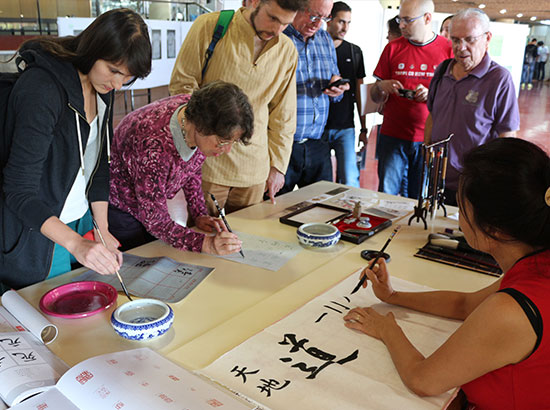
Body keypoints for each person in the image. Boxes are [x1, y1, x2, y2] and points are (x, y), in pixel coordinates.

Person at [344, 137, 550, 409]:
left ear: (495, 229)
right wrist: (393, 296)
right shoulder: (537, 264)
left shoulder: (512, 309)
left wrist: (387, 328)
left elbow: (424, 380)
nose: (457, 215)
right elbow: (465, 304)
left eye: (461, 207)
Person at [0, 8, 151, 291]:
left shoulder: (102, 86)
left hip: (80, 222)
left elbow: (98, 167)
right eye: (114, 71)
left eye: (127, 77)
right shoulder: (42, 88)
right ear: (94, 49)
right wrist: (75, 243)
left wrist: (102, 230)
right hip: (42, 232)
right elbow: (18, 191)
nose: (117, 84)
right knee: (50, 318)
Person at [169, 0, 307, 215]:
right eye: (272, 18)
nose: (276, 29)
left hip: (255, 168)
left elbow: (284, 115)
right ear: (253, 2)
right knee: (204, 236)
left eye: (285, 24)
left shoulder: (287, 50)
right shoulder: (210, 26)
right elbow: (182, 87)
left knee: (247, 239)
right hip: (208, 165)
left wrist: (278, 167)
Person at [109, 81, 253, 255]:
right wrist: (204, 244)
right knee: (140, 259)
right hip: (123, 206)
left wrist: (199, 214)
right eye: (223, 142)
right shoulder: (153, 145)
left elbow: (191, 168)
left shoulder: (196, 114)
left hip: (151, 201)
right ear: (201, 126)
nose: (227, 150)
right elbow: (155, 221)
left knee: (161, 252)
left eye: (233, 142)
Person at [425, 8, 519, 206]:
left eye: (470, 40)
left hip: (475, 184)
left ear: (487, 38)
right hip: (438, 181)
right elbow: (433, 116)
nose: (461, 47)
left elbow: (507, 136)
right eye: (456, 40)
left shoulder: (499, 79)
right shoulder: (443, 71)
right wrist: (428, 158)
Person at [370, 0, 452, 199]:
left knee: (420, 198)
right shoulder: (392, 48)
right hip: (392, 135)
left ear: (427, 18)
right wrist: (382, 86)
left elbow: (454, 99)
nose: (401, 25)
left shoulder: (448, 50)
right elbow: (374, 95)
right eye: (400, 19)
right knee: (386, 195)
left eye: (407, 20)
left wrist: (432, 95)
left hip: (429, 138)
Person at [279, 0, 349, 195]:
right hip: (283, 145)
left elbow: (333, 79)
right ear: (296, 8)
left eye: (325, 18)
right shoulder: (277, 38)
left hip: (318, 142)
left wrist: (337, 89)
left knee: (322, 210)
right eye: (313, 16)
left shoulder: (325, 40)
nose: (317, 24)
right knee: (273, 210)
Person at [323, 1, 367, 187]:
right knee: (320, 184)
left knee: (349, 180)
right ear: (329, 19)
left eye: (348, 23)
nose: (345, 27)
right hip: (319, 129)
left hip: (345, 128)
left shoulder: (354, 51)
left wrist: (363, 129)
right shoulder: (317, 48)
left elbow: (360, 94)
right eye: (341, 22)